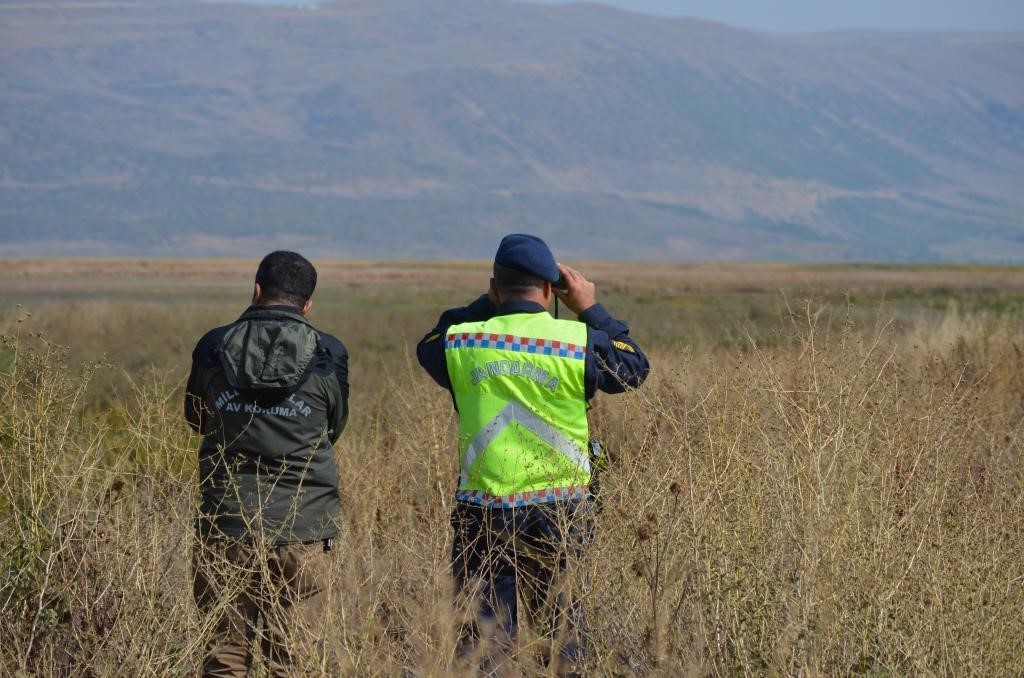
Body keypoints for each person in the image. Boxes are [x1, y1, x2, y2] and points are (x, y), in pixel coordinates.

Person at [416, 234, 649, 674]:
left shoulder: (462, 342)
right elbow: (634, 367)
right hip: (561, 508)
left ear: (494, 288)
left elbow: (432, 339)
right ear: (549, 290)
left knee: (484, 644)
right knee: (564, 636)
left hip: (483, 510)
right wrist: (590, 309)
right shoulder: (577, 342)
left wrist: (486, 304)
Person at [184, 251, 348, 677]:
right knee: (291, 658)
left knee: (224, 656)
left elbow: (196, 419)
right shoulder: (328, 353)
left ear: (256, 292)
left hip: (227, 523)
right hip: (304, 527)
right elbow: (334, 427)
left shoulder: (212, 346)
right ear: (307, 304)